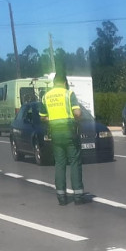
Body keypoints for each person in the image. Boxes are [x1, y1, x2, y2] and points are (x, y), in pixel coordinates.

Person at [38, 71, 85, 205]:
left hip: (55, 133)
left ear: (54, 83)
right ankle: (78, 196)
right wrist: (77, 117)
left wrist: (53, 118)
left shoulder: (46, 96)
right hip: (69, 132)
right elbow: (77, 112)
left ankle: (61, 197)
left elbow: (42, 117)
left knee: (60, 163)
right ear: (65, 83)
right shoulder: (68, 94)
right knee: (75, 162)